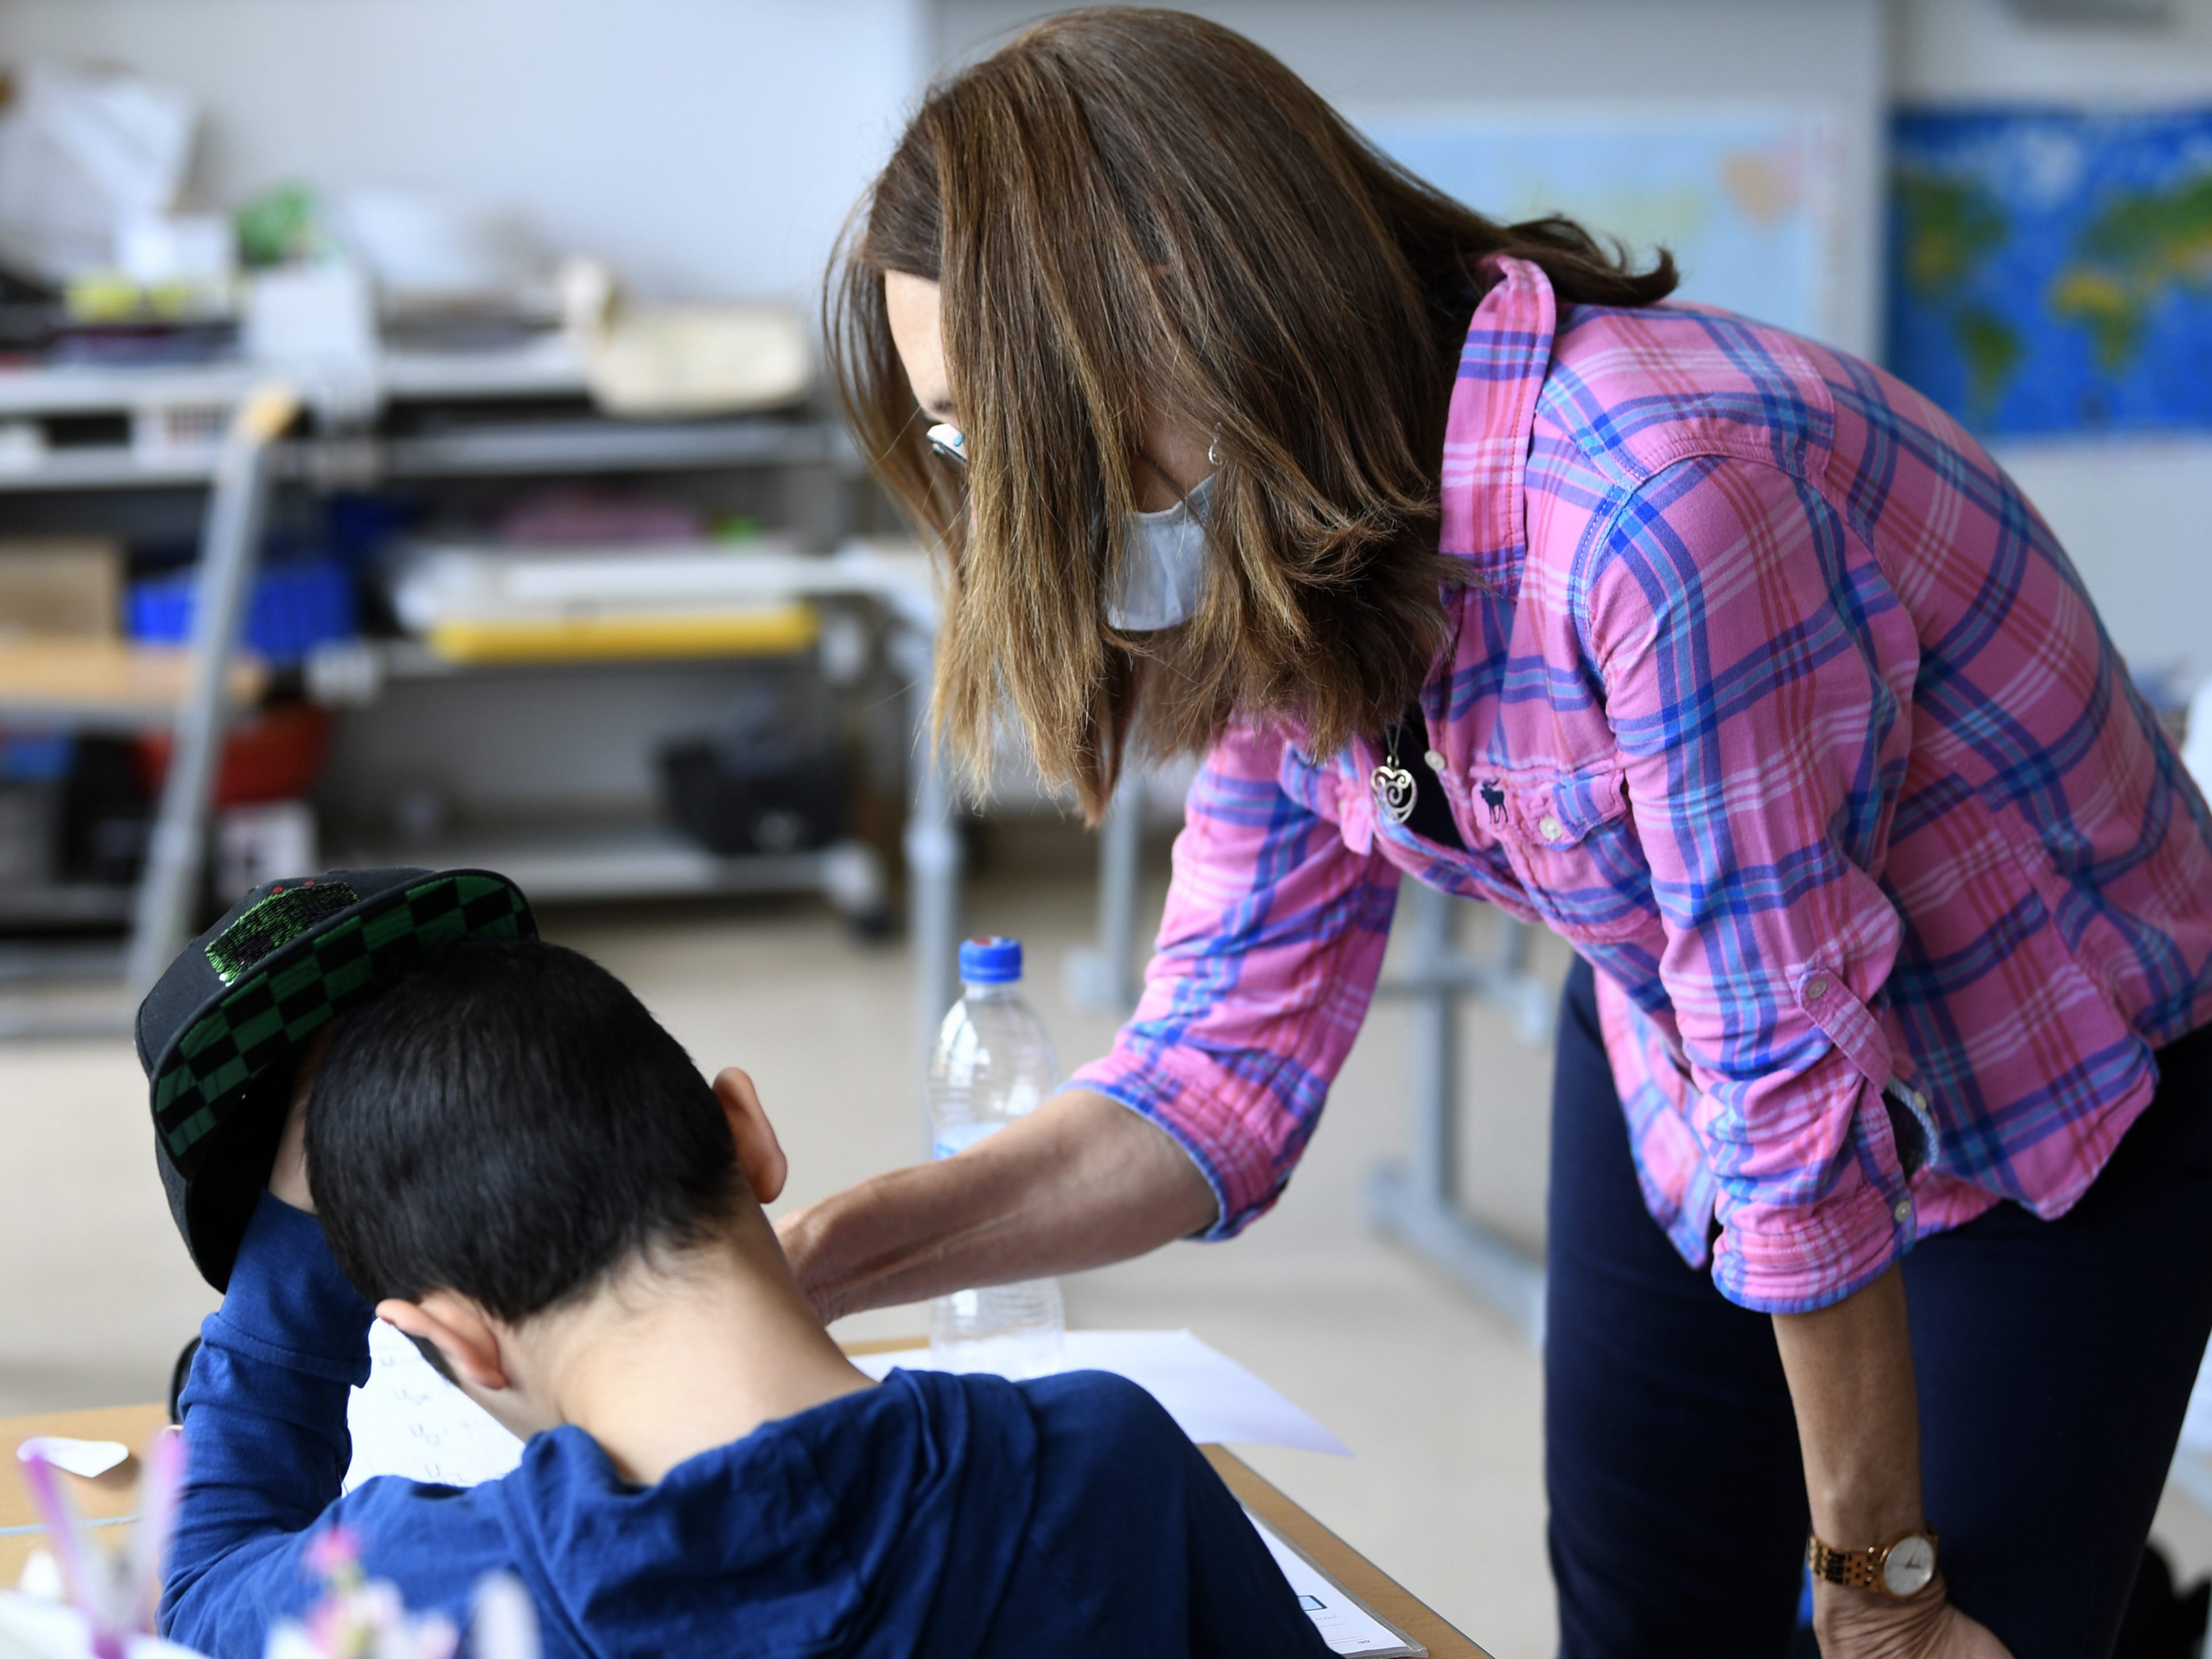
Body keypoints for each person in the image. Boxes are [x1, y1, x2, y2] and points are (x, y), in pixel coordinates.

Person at [782, 12, 2212, 1659]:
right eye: (960, 437)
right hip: (1685, 1045)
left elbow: (1795, 1080)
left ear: (1193, 321)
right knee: (1643, 1619)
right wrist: (809, 1258)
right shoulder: (1269, 524)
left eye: (1011, 420)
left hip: (2034, 1100)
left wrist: (1879, 1579)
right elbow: (1212, 1074)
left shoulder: (1661, 502)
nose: (1002, 495)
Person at [138, 875, 1329, 1658]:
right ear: (748, 1131)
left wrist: (298, 1231)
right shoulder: (1106, 1468)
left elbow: (198, 1592)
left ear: (453, 1339)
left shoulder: (437, 1592)